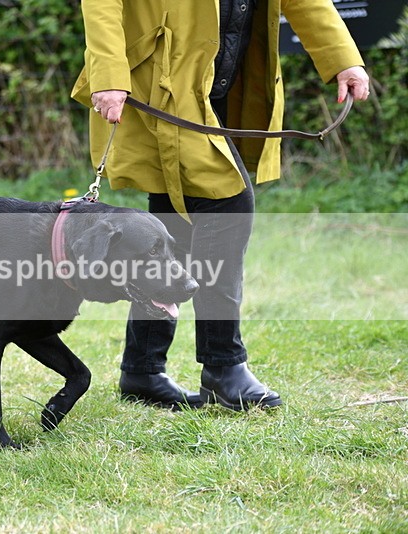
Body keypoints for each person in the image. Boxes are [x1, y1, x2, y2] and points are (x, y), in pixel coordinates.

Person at [71, 0, 370, 410]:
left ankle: (142, 369)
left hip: (230, 78)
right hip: (163, 76)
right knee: (228, 204)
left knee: (173, 215)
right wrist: (107, 73)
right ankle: (222, 366)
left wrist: (342, 59)